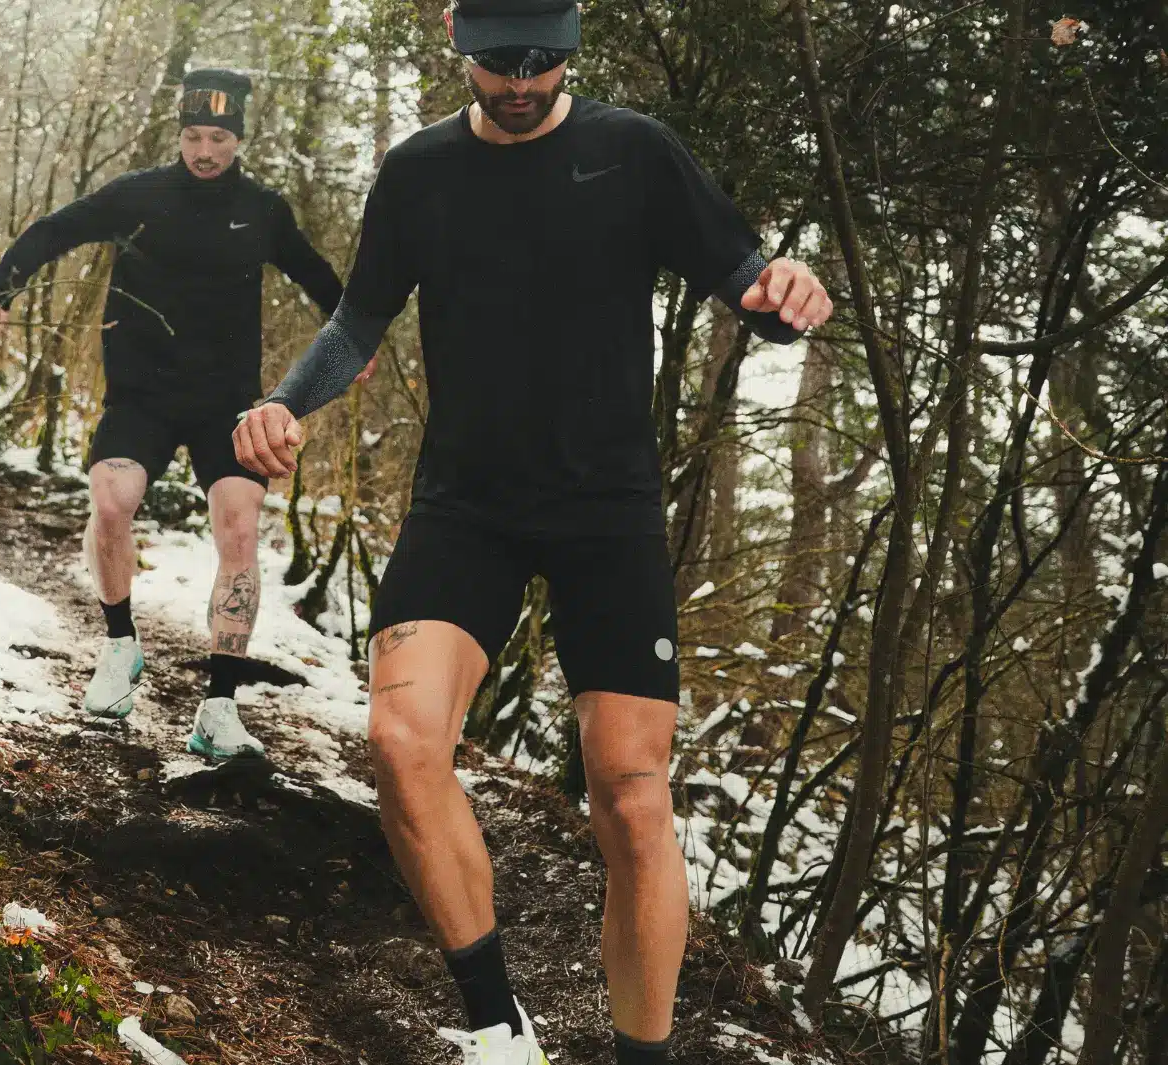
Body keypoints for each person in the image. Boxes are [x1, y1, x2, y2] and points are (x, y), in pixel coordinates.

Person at [233, 1, 833, 1061]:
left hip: (608, 511)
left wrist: (786, 288)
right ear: (456, 40)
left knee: (632, 795)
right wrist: (284, 401)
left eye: (546, 61)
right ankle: (495, 1025)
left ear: (572, 47)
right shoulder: (418, 172)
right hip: (468, 503)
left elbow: (747, 281)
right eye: (499, 61)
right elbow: (358, 323)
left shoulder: (633, 152)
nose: (522, 81)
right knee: (402, 741)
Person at [0, 68, 349, 761]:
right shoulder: (138, 194)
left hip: (228, 406)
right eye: (194, 136)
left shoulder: (262, 210)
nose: (205, 150)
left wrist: (351, 342)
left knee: (238, 528)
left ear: (238, 140)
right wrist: (0, 293)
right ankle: (118, 647)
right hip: (139, 396)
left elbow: (315, 273)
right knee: (112, 502)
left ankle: (219, 705)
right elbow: (57, 229)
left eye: (219, 138)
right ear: (180, 133)